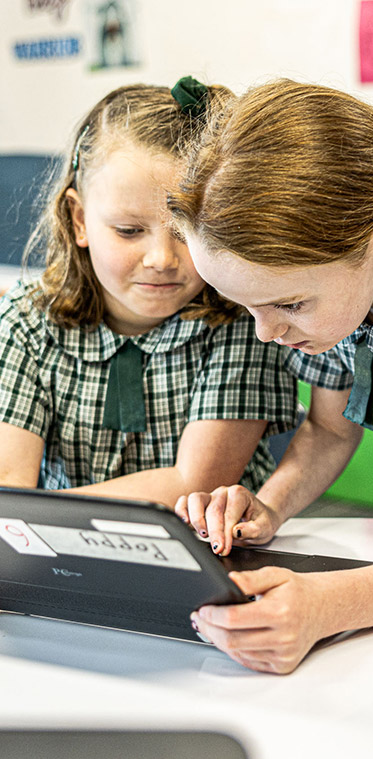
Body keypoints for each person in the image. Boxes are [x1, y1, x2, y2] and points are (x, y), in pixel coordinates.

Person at [168, 78, 373, 674]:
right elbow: (328, 429)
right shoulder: (337, 296)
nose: (266, 332)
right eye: (248, 307)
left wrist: (325, 605)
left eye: (289, 305)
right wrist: (268, 509)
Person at [0, 79, 299, 507]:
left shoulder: (244, 320)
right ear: (80, 220)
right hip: (61, 564)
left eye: (185, 232)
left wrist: (48, 515)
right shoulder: (25, 321)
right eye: (129, 231)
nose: (161, 258)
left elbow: (195, 481)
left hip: (213, 558)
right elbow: (10, 485)